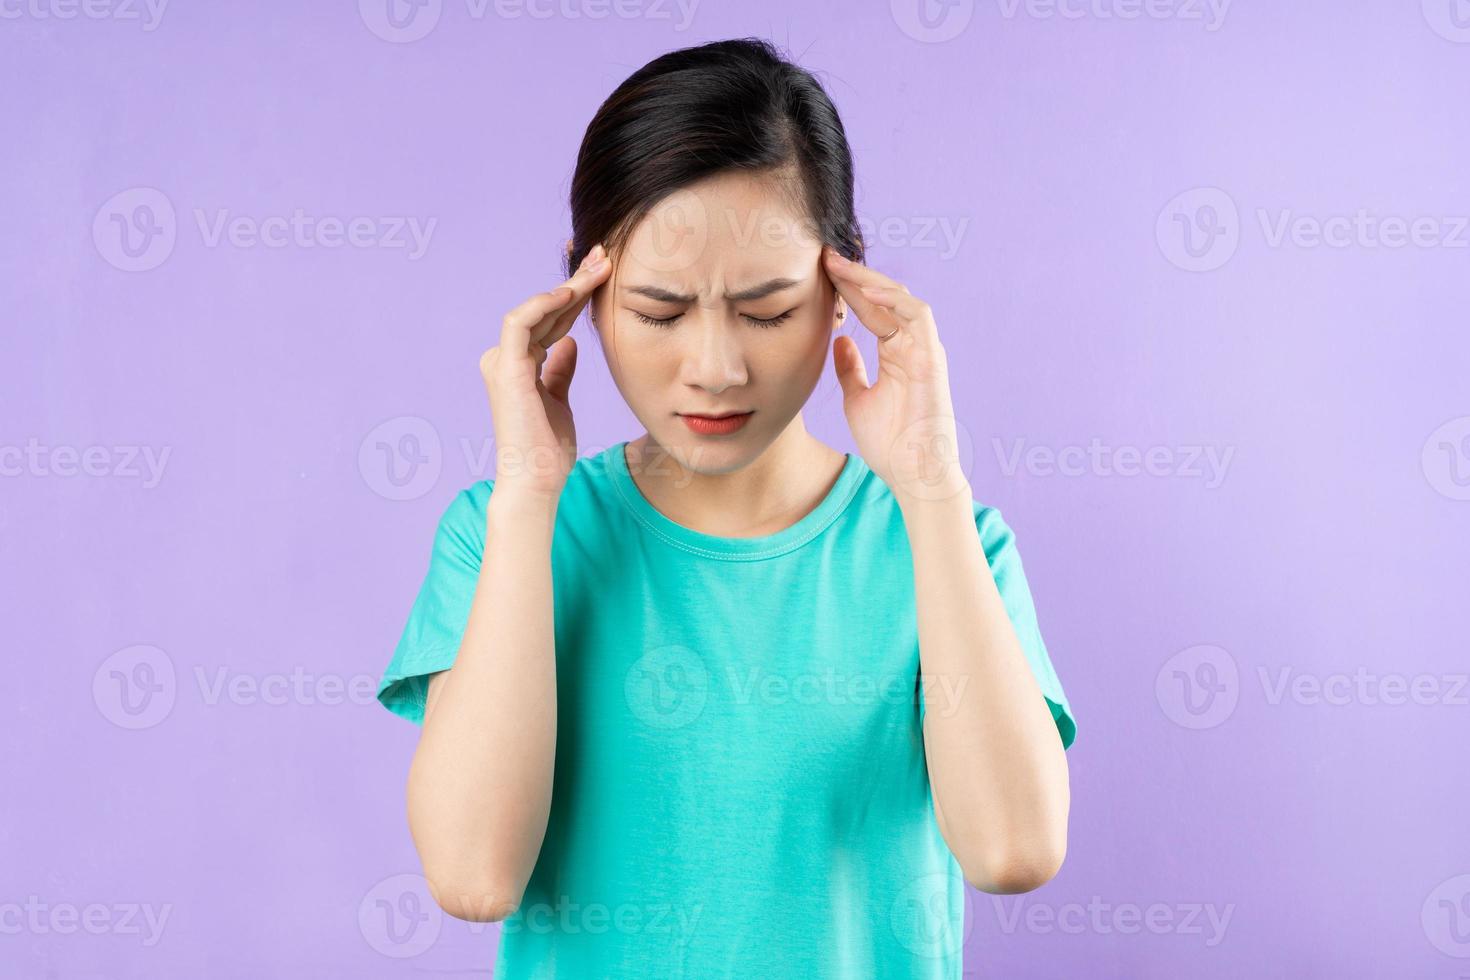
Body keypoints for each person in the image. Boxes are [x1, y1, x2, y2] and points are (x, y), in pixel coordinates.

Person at [375, 36, 1077, 980]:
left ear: (845, 290)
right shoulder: (503, 533)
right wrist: (527, 496)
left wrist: (933, 485)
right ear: (584, 295)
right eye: (660, 314)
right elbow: (473, 878)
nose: (715, 368)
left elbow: (1013, 852)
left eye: (768, 310)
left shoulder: (941, 543)